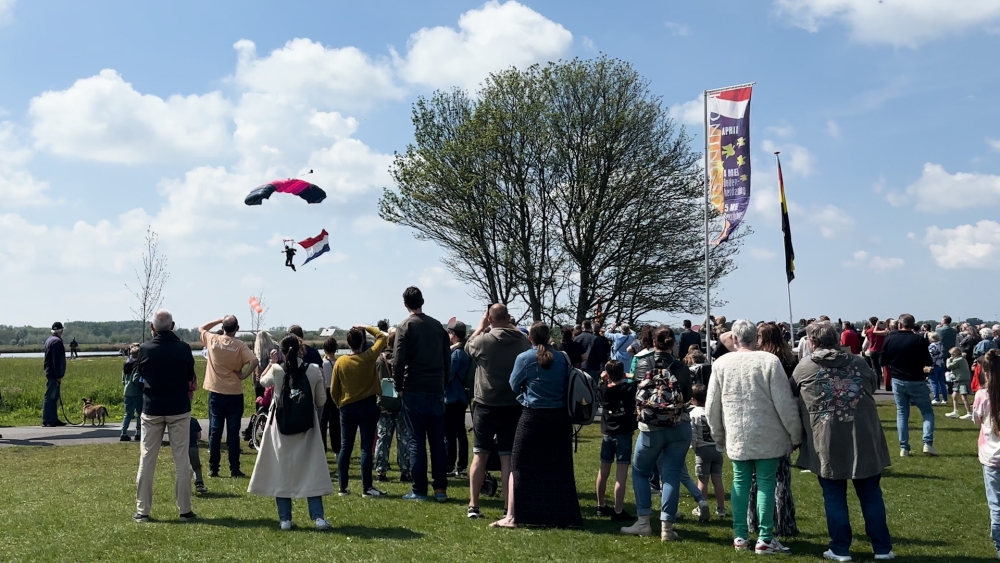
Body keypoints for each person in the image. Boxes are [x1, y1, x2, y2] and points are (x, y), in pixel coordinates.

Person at [792, 321, 894, 562]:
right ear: (838, 340)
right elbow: (870, 385)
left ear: (811, 342)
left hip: (826, 437)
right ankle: (882, 548)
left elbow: (792, 396)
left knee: (834, 493)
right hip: (863, 435)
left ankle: (840, 549)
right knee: (870, 493)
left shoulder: (804, 367)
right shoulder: (858, 362)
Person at [705, 319, 802, 555]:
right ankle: (765, 538)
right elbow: (784, 403)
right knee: (766, 484)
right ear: (756, 339)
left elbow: (711, 406)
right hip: (768, 434)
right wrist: (795, 433)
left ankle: (740, 536)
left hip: (738, 434)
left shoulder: (722, 363)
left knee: (740, 482)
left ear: (735, 339)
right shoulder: (769, 361)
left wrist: (718, 434)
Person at [491, 322, 582, 529]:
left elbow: (514, 385)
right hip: (559, 418)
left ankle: (513, 516)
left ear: (530, 338)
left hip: (532, 416)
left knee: (519, 466)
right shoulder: (562, 358)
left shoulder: (524, 358)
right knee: (558, 467)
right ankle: (561, 515)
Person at [248, 334, 333, 530]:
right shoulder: (312, 370)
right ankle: (318, 517)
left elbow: (261, 382)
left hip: (281, 426)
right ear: (301, 348)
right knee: (312, 470)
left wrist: (271, 362)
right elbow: (321, 401)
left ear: (282, 351)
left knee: (282, 471)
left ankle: (285, 519)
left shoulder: (277, 371)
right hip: (306, 427)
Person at [620, 327, 694, 542]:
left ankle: (643, 522)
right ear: (673, 344)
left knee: (640, 472)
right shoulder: (680, 367)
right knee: (671, 476)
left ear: (653, 343)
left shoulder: (643, 363)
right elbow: (688, 395)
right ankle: (667, 529)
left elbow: (635, 393)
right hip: (678, 425)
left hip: (650, 428)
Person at [465, 303, 531, 518]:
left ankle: (474, 505)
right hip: (512, 404)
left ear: (490, 319)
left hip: (486, 403)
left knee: (479, 455)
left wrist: (480, 326)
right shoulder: (521, 341)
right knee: (507, 458)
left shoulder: (484, 341)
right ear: (509, 317)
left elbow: (468, 347)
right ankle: (507, 506)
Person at [134, 309, 196, 523]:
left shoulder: (145, 349)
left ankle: (143, 510)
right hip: (178, 407)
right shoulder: (184, 348)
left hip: (152, 408)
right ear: (173, 325)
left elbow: (141, 374)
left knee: (147, 459)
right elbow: (190, 375)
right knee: (181, 459)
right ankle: (185, 509)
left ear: (152, 328)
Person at [392, 286, 451, 502]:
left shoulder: (404, 326)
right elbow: (447, 358)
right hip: (436, 387)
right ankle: (440, 489)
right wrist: (443, 382)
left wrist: (398, 385)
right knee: (437, 441)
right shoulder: (437, 326)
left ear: (405, 304)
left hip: (414, 387)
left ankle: (419, 489)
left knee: (416, 440)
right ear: (422, 301)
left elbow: (398, 360)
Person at [748, 322, 800, 539]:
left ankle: (755, 521)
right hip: (783, 419)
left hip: (762, 417)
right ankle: (784, 522)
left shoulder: (759, 360)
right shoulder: (789, 359)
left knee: (755, 476)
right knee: (781, 477)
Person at [331, 325, 387, 498]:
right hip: (368, 405)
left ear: (348, 343)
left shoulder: (340, 362)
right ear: (362, 341)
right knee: (365, 448)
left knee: (345, 447)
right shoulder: (369, 357)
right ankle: (367, 487)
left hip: (347, 406)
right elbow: (382, 338)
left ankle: (342, 487)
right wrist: (366, 327)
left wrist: (339, 403)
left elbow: (334, 389)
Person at [199, 316, 259, 478]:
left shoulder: (213, 340)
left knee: (215, 431)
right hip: (234, 393)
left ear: (224, 327)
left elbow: (202, 327)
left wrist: (218, 320)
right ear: (237, 328)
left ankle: (214, 468)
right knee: (233, 432)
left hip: (216, 391)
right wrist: (244, 375)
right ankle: (234, 468)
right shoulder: (240, 346)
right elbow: (254, 360)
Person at [881, 313, 936, 457]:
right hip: (916, 379)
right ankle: (927, 443)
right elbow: (927, 361)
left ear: (899, 324)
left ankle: (904, 447)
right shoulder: (919, 340)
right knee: (927, 412)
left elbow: (883, 360)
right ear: (913, 325)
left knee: (902, 413)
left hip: (898, 379)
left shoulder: (890, 338)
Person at [596, 360, 637, 522]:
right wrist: (628, 375)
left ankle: (601, 505)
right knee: (621, 476)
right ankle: (618, 510)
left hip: (608, 433)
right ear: (622, 373)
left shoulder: (603, 389)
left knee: (603, 471)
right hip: (624, 434)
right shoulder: (628, 389)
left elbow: (601, 384)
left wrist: (603, 379)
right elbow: (638, 381)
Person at [973, 350, 1000, 559]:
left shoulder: (982, 395)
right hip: (992, 455)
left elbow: (977, 420)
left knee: (996, 505)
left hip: (992, 455)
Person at [375, 330, 411, 482]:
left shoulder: (378, 360)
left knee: (383, 438)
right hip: (402, 401)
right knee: (403, 438)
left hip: (384, 402)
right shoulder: (403, 360)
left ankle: (381, 470)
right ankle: (405, 471)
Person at [690, 383, 726, 518]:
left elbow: (692, 433)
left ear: (693, 399)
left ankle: (701, 506)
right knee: (717, 480)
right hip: (716, 449)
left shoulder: (693, 414)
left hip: (702, 449)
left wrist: (694, 447)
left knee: (702, 480)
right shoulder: (714, 412)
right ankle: (721, 508)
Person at [445, 320, 471, 477]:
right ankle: (461, 466)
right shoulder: (464, 351)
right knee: (460, 432)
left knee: (450, 433)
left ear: (453, 334)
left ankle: (450, 465)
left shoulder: (456, 354)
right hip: (461, 397)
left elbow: (448, 377)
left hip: (452, 397)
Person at [42, 322, 67, 427]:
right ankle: (47, 419)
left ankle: (53, 418)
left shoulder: (49, 340)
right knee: (51, 397)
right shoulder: (57, 342)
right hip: (54, 373)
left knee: (54, 397)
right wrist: (58, 375)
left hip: (50, 372)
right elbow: (56, 360)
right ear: (61, 331)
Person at [319, 338, 341, 454]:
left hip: (324, 392)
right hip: (335, 393)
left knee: (323, 422)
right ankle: (337, 448)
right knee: (335, 423)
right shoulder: (338, 363)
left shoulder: (322, 364)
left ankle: (322, 449)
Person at [121, 343, 143, 441]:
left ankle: (123, 432)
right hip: (136, 392)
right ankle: (138, 433)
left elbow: (123, 380)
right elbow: (136, 379)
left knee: (128, 413)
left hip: (127, 391)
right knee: (139, 413)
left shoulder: (126, 365)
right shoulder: (137, 365)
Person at [946, 347, 973, 420]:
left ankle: (969, 413)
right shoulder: (958, 359)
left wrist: (948, 360)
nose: (951, 355)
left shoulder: (959, 360)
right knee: (954, 395)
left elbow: (949, 366)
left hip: (962, 380)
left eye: (952, 354)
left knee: (964, 396)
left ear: (957, 353)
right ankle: (955, 411)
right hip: (958, 380)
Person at [865, 318, 889, 391]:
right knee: (882, 368)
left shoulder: (868, 331)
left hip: (872, 350)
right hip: (881, 350)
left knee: (875, 368)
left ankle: (877, 384)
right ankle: (884, 382)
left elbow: (868, 340)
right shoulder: (881, 331)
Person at [928, 332, 948, 405]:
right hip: (941, 364)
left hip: (934, 365)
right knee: (941, 382)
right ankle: (945, 399)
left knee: (933, 382)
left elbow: (931, 356)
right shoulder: (941, 344)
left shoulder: (932, 346)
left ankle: (936, 398)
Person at [190, 418, 208, 494]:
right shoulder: (194, 421)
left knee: (182, 468)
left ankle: (184, 486)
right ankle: (199, 483)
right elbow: (199, 436)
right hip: (193, 447)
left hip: (181, 448)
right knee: (196, 466)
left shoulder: (178, 421)